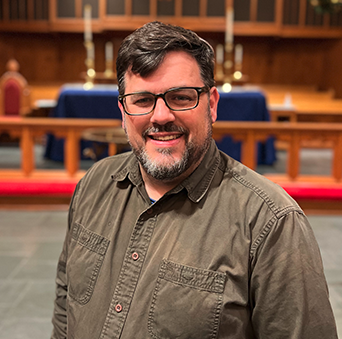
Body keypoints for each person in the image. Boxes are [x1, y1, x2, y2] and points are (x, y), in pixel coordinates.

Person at [51, 21, 338, 339]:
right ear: (122, 111)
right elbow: (66, 309)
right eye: (142, 100)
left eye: (181, 97)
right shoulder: (94, 184)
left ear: (212, 104)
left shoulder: (271, 223)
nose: (160, 116)